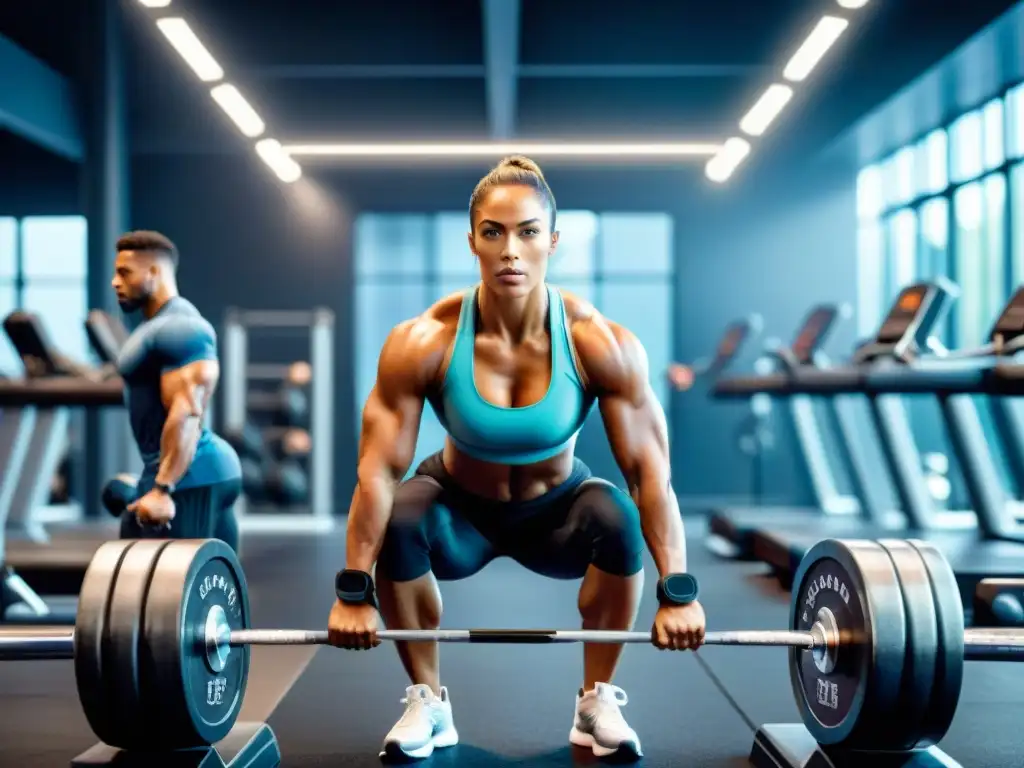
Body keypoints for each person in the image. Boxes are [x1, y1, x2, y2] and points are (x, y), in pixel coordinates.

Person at [326, 156, 706, 762]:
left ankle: (596, 699)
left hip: (556, 516)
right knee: (402, 516)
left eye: (528, 232)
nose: (511, 250)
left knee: (618, 516)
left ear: (552, 241)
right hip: (458, 514)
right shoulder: (423, 340)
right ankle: (428, 700)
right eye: (494, 232)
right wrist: (351, 590)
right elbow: (377, 470)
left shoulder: (597, 341)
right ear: (472, 239)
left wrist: (679, 591)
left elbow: (648, 473)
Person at [112, 230, 242, 552]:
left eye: (125, 272)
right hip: (194, 472)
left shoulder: (181, 328)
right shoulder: (154, 327)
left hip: (190, 475)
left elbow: (187, 411)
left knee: (168, 590)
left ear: (154, 273)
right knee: (206, 588)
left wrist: (162, 489)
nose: (115, 282)